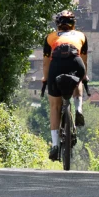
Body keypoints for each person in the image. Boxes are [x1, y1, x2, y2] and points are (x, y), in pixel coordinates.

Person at [42, 10, 88, 161]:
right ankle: (78, 107)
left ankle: (55, 145)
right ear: (73, 24)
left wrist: (45, 78)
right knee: (78, 80)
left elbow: (46, 62)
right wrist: (84, 76)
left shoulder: (50, 37)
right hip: (75, 61)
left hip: (56, 66)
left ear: (58, 25)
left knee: (55, 107)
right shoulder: (81, 36)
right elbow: (83, 58)